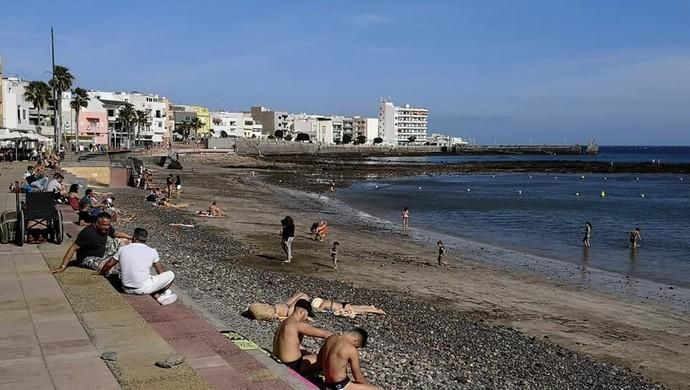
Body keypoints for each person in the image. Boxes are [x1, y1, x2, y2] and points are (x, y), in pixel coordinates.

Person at [111, 228, 177, 305]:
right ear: (145, 239)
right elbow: (160, 270)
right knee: (170, 274)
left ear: (134, 237)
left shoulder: (122, 249)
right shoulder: (152, 251)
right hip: (142, 289)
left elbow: (110, 263)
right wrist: (163, 283)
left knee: (146, 276)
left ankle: (159, 297)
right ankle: (161, 294)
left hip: (125, 288)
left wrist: (102, 273)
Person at [52, 212, 132, 273]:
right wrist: (63, 266)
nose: (107, 227)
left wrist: (131, 237)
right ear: (97, 223)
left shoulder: (107, 228)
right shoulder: (87, 233)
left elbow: (115, 233)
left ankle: (126, 263)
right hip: (88, 258)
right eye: (105, 225)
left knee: (126, 241)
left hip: (102, 249)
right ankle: (109, 263)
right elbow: (73, 248)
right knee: (105, 268)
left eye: (109, 225)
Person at [272, 299, 333, 374]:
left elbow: (292, 344)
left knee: (307, 353)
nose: (306, 318)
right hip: (292, 366)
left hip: (278, 359)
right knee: (326, 360)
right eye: (307, 315)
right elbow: (326, 334)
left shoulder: (285, 322)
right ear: (302, 312)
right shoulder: (297, 325)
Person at [317, 328, 382, 390]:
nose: (356, 348)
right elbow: (358, 378)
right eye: (357, 346)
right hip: (340, 386)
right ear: (355, 341)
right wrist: (366, 386)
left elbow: (319, 361)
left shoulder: (330, 338)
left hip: (327, 384)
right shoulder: (351, 350)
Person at [311, 297, 385, 317]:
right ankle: (371, 307)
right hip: (343, 304)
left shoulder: (323, 304)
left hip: (344, 308)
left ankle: (377, 311)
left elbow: (318, 310)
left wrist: (313, 309)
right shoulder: (325, 301)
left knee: (359, 310)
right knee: (358, 307)